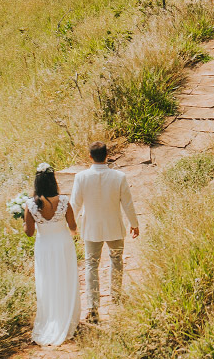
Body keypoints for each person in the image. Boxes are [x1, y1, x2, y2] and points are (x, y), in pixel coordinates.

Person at [70, 142, 140, 325]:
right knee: (116, 261)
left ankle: (93, 308)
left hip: (91, 228)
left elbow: (75, 204)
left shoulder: (81, 177)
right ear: (107, 155)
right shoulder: (119, 176)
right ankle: (116, 296)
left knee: (91, 265)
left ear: (90, 157)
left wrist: (70, 225)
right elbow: (127, 202)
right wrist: (134, 223)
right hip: (113, 226)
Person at [23, 163, 80, 345]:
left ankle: (51, 319)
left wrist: (23, 220)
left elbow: (29, 233)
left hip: (44, 246)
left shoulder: (31, 205)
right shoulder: (63, 201)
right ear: (53, 181)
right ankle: (68, 317)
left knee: (47, 281)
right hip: (63, 243)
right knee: (66, 278)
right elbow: (72, 226)